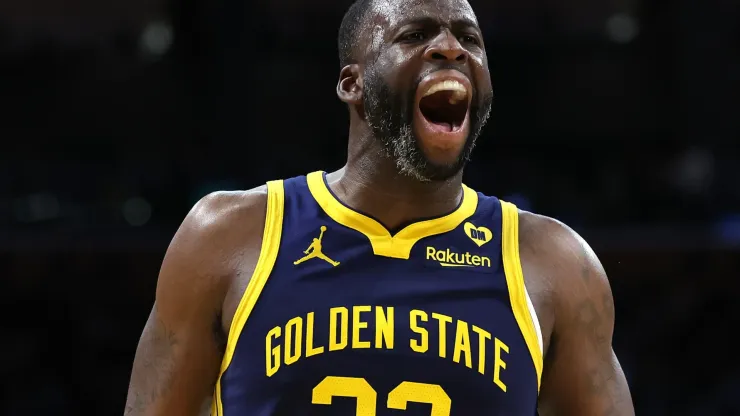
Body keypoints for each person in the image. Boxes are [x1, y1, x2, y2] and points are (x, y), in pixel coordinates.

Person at [124, 0, 635, 414]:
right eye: (415, 35)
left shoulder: (555, 263)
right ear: (353, 84)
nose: (451, 49)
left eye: (470, 39)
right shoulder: (229, 234)